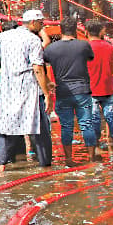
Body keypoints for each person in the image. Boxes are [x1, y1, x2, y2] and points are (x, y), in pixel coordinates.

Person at [0, 10, 53, 173]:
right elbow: (38, 68)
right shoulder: (32, 40)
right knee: (40, 127)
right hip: (29, 88)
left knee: (7, 126)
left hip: (8, 88)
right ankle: (45, 164)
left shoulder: (6, 36)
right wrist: (47, 93)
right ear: (33, 23)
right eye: (41, 23)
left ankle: (2, 166)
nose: (43, 26)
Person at [44, 17, 98, 164]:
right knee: (86, 124)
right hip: (82, 90)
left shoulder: (51, 49)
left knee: (66, 126)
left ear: (60, 30)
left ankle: (69, 160)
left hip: (63, 91)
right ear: (75, 29)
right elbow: (90, 58)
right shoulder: (83, 45)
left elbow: (41, 64)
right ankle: (92, 158)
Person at [84, 20, 113, 156]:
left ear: (87, 32)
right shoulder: (109, 47)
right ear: (100, 31)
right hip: (107, 87)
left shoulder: (85, 47)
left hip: (91, 89)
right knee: (111, 117)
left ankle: (96, 147)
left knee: (94, 119)